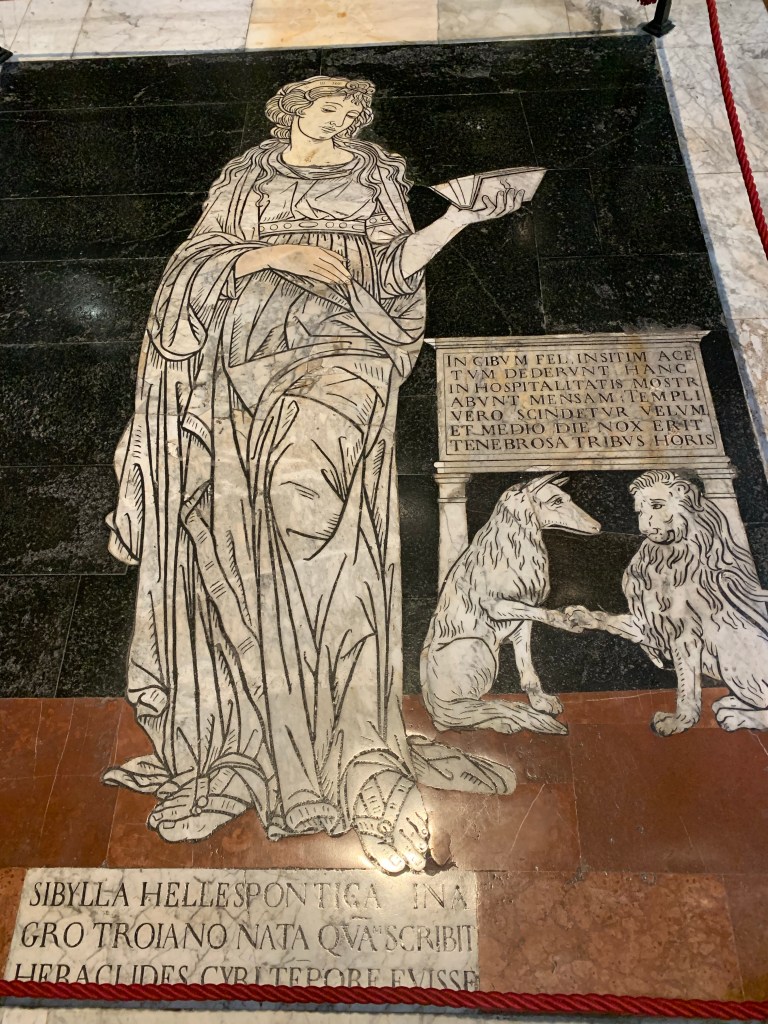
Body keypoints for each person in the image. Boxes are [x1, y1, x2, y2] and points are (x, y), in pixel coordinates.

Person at [105, 75, 524, 874]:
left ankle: (355, 753)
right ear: (293, 111)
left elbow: (394, 271)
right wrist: (271, 252)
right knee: (230, 535)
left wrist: (459, 219)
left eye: (354, 111)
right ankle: (246, 749)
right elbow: (194, 262)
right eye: (332, 107)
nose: (347, 119)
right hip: (236, 356)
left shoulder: (375, 172)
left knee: (303, 502)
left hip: (345, 347)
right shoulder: (248, 175)